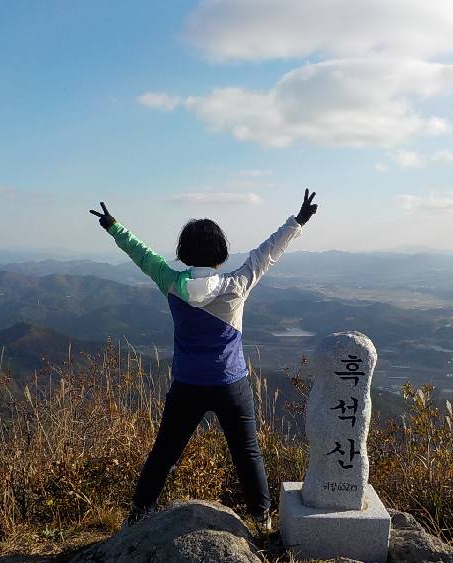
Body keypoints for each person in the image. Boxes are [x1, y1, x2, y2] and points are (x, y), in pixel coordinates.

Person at [89, 189, 318, 531]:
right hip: (231, 384)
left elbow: (143, 255)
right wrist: (297, 221)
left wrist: (113, 226)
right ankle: (261, 518)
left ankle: (139, 514)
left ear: (183, 253)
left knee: (165, 453)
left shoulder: (170, 282)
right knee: (247, 454)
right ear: (221, 253)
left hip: (187, 386)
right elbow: (268, 252)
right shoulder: (237, 284)